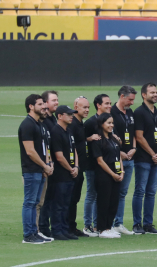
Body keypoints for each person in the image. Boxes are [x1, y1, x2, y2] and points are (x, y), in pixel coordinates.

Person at [19, 94, 54, 244]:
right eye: (40, 104)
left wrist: (48, 165)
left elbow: (44, 149)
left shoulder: (39, 124)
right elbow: (30, 151)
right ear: (31, 106)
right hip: (31, 170)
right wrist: (45, 165)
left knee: (35, 203)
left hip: (39, 170)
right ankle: (28, 234)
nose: (44, 107)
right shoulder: (27, 124)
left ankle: (35, 232)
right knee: (30, 202)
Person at [133, 83, 157, 234]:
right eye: (152, 92)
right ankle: (137, 224)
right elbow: (139, 137)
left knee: (152, 192)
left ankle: (148, 224)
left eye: (156, 92)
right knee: (140, 191)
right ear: (144, 95)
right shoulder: (139, 112)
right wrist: (153, 153)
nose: (155, 94)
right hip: (143, 159)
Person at [83, 94, 112, 237]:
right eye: (106, 103)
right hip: (92, 165)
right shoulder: (89, 123)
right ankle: (87, 225)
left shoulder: (108, 121)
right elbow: (79, 140)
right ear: (98, 105)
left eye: (110, 103)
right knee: (91, 194)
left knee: (101, 195)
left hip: (105, 166)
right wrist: (89, 138)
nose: (109, 106)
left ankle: (97, 225)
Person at [92, 113, 124, 238]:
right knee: (104, 202)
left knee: (113, 201)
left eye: (112, 123)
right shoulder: (98, 140)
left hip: (116, 174)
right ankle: (102, 229)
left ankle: (109, 226)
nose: (111, 125)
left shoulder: (114, 139)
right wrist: (112, 174)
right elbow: (100, 161)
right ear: (101, 124)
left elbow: (118, 156)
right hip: (104, 175)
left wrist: (121, 172)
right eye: (109, 123)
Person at [50, 105, 79, 241]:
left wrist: (76, 166)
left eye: (72, 114)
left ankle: (64, 229)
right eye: (68, 114)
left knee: (66, 203)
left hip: (70, 174)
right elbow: (59, 156)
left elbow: (74, 151)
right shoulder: (56, 131)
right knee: (59, 204)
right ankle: (57, 230)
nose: (71, 116)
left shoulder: (68, 131)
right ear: (60, 116)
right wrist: (70, 168)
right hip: (60, 175)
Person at [111, 86, 137, 236]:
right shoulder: (112, 112)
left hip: (130, 158)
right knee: (113, 191)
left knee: (123, 192)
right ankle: (110, 222)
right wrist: (118, 152)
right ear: (122, 96)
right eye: (130, 99)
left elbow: (132, 132)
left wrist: (133, 148)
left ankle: (119, 223)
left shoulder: (130, 113)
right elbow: (109, 134)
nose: (132, 103)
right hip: (116, 158)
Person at [67, 96, 90, 237]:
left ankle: (72, 226)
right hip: (73, 168)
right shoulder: (73, 124)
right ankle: (66, 227)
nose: (87, 110)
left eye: (88, 107)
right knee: (69, 199)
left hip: (80, 167)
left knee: (75, 198)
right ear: (76, 107)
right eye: (84, 107)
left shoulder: (80, 123)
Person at [38, 90, 59, 238]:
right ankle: (42, 227)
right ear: (45, 103)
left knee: (50, 197)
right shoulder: (44, 121)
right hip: (46, 165)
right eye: (53, 100)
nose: (56, 102)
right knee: (43, 199)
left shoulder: (53, 119)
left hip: (52, 164)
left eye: (57, 100)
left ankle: (46, 226)